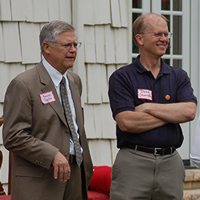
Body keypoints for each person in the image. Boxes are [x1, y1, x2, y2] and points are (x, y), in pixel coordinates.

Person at [108, 13, 197, 200]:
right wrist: (172, 113)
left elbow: (189, 112)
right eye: (158, 34)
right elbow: (126, 122)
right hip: (134, 161)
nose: (164, 39)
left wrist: (147, 108)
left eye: (166, 34)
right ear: (139, 38)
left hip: (171, 162)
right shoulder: (122, 77)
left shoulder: (178, 76)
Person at [3, 20, 93, 200]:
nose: (73, 50)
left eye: (76, 45)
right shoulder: (24, 84)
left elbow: (73, 128)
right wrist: (52, 154)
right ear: (47, 47)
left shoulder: (74, 81)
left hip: (75, 175)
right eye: (67, 45)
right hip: (40, 182)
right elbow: (13, 136)